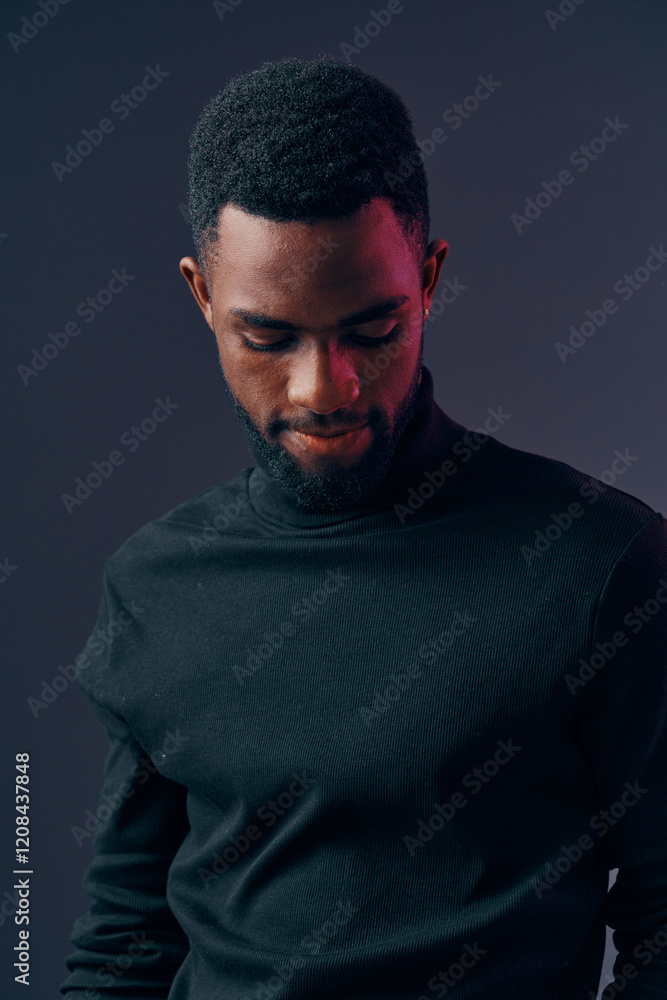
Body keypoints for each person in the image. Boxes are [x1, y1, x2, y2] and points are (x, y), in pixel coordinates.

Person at [60, 55, 667, 1000]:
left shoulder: (600, 565)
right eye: (267, 337)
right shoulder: (152, 583)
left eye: (371, 329)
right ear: (200, 298)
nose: (322, 388)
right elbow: (119, 943)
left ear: (428, 281)